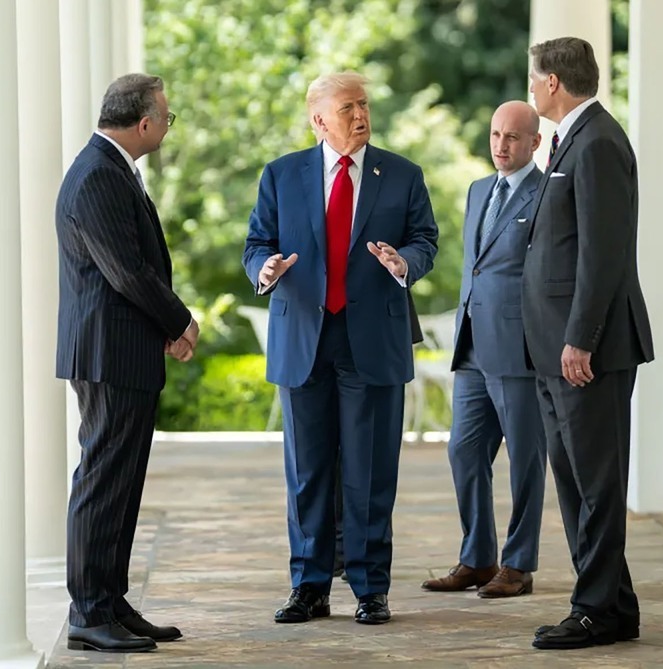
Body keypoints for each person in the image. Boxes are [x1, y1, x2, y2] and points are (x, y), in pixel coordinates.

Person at [243, 71, 438, 626]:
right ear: (319, 120)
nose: (360, 115)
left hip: (372, 339)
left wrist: (404, 262)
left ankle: (371, 588)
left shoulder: (402, 174)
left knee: (369, 472)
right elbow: (256, 243)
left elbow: (425, 240)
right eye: (348, 107)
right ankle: (308, 587)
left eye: (364, 105)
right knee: (307, 473)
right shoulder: (282, 174)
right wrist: (265, 269)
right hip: (303, 339)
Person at [520, 38, 655, 649]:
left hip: (586, 350)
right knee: (576, 482)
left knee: (596, 484)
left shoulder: (597, 142)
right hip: (556, 348)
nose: (531, 86)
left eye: (533, 77)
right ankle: (614, 605)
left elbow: (602, 254)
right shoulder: (572, 138)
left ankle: (594, 610)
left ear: (552, 82)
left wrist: (580, 339)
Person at [55, 73, 196, 653]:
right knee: (103, 481)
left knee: (122, 483)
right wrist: (179, 321)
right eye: (166, 116)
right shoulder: (97, 175)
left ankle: (110, 602)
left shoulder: (111, 169)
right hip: (108, 354)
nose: (167, 126)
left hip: (123, 350)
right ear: (143, 123)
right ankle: (89, 611)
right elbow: (127, 271)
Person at [420, 101, 547, 599]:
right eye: (495, 134)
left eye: (512, 137)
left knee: (525, 459)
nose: (501, 145)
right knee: (464, 450)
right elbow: (475, 267)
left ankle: (518, 564)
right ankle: (477, 558)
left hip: (518, 348)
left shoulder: (546, 194)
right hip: (471, 345)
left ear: (535, 142)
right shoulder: (478, 190)